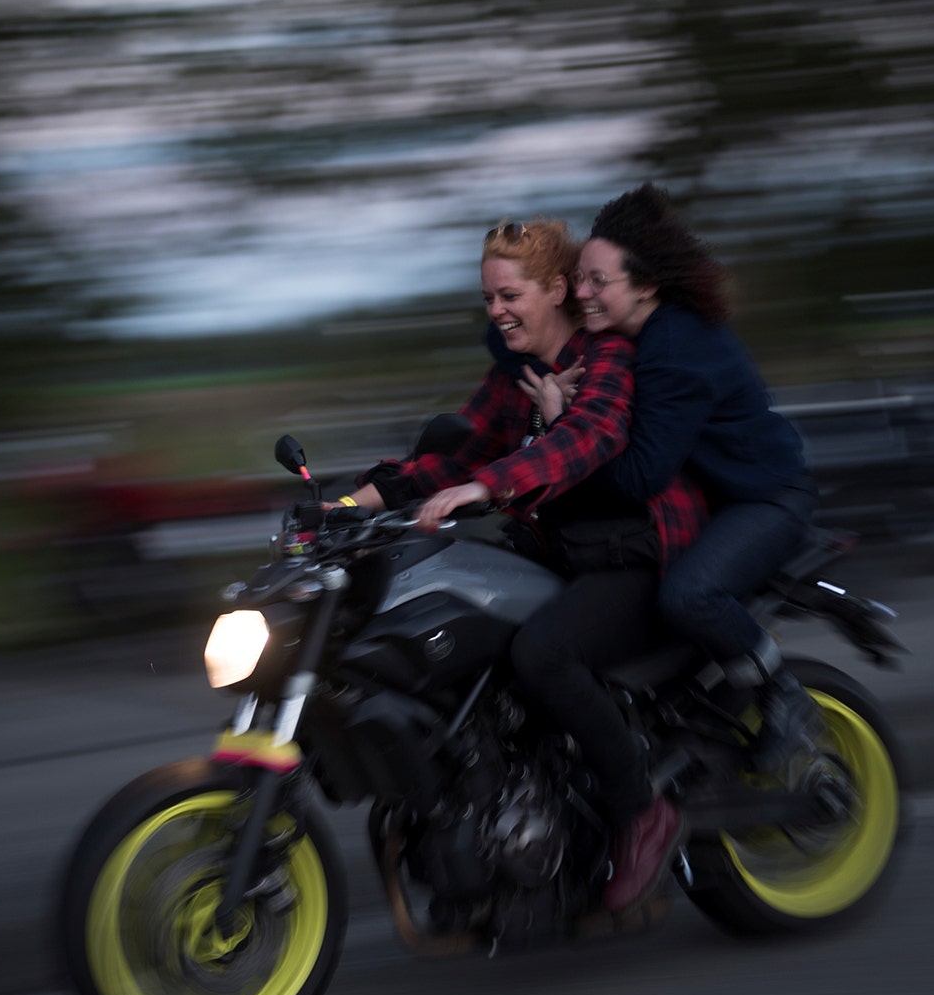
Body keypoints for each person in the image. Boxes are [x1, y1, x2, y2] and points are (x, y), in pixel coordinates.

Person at [342, 217, 707, 914]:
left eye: (510, 295)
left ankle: (643, 811)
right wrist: (341, 507)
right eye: (489, 299)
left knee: (542, 653)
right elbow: (445, 461)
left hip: (636, 556)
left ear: (556, 290)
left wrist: (488, 485)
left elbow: (589, 436)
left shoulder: (608, 355)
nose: (498, 310)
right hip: (560, 555)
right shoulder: (515, 378)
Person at [545, 183, 825, 773]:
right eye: (579, 278)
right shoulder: (639, 335)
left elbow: (639, 476)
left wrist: (559, 441)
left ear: (645, 285)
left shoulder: (676, 348)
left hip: (764, 498)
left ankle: (782, 691)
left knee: (689, 595)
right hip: (714, 497)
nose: (582, 292)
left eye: (598, 281)